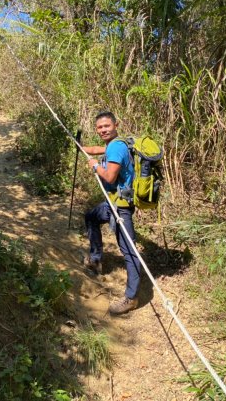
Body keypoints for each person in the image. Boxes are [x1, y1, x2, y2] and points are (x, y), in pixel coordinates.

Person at [83, 111, 141, 315]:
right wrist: (83, 148)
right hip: (111, 203)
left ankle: (131, 298)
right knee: (91, 216)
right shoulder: (115, 144)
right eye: (99, 127)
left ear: (116, 125)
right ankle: (96, 259)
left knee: (129, 251)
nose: (103, 130)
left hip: (121, 207)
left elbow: (108, 177)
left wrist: (95, 165)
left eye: (106, 126)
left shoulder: (115, 148)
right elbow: (100, 149)